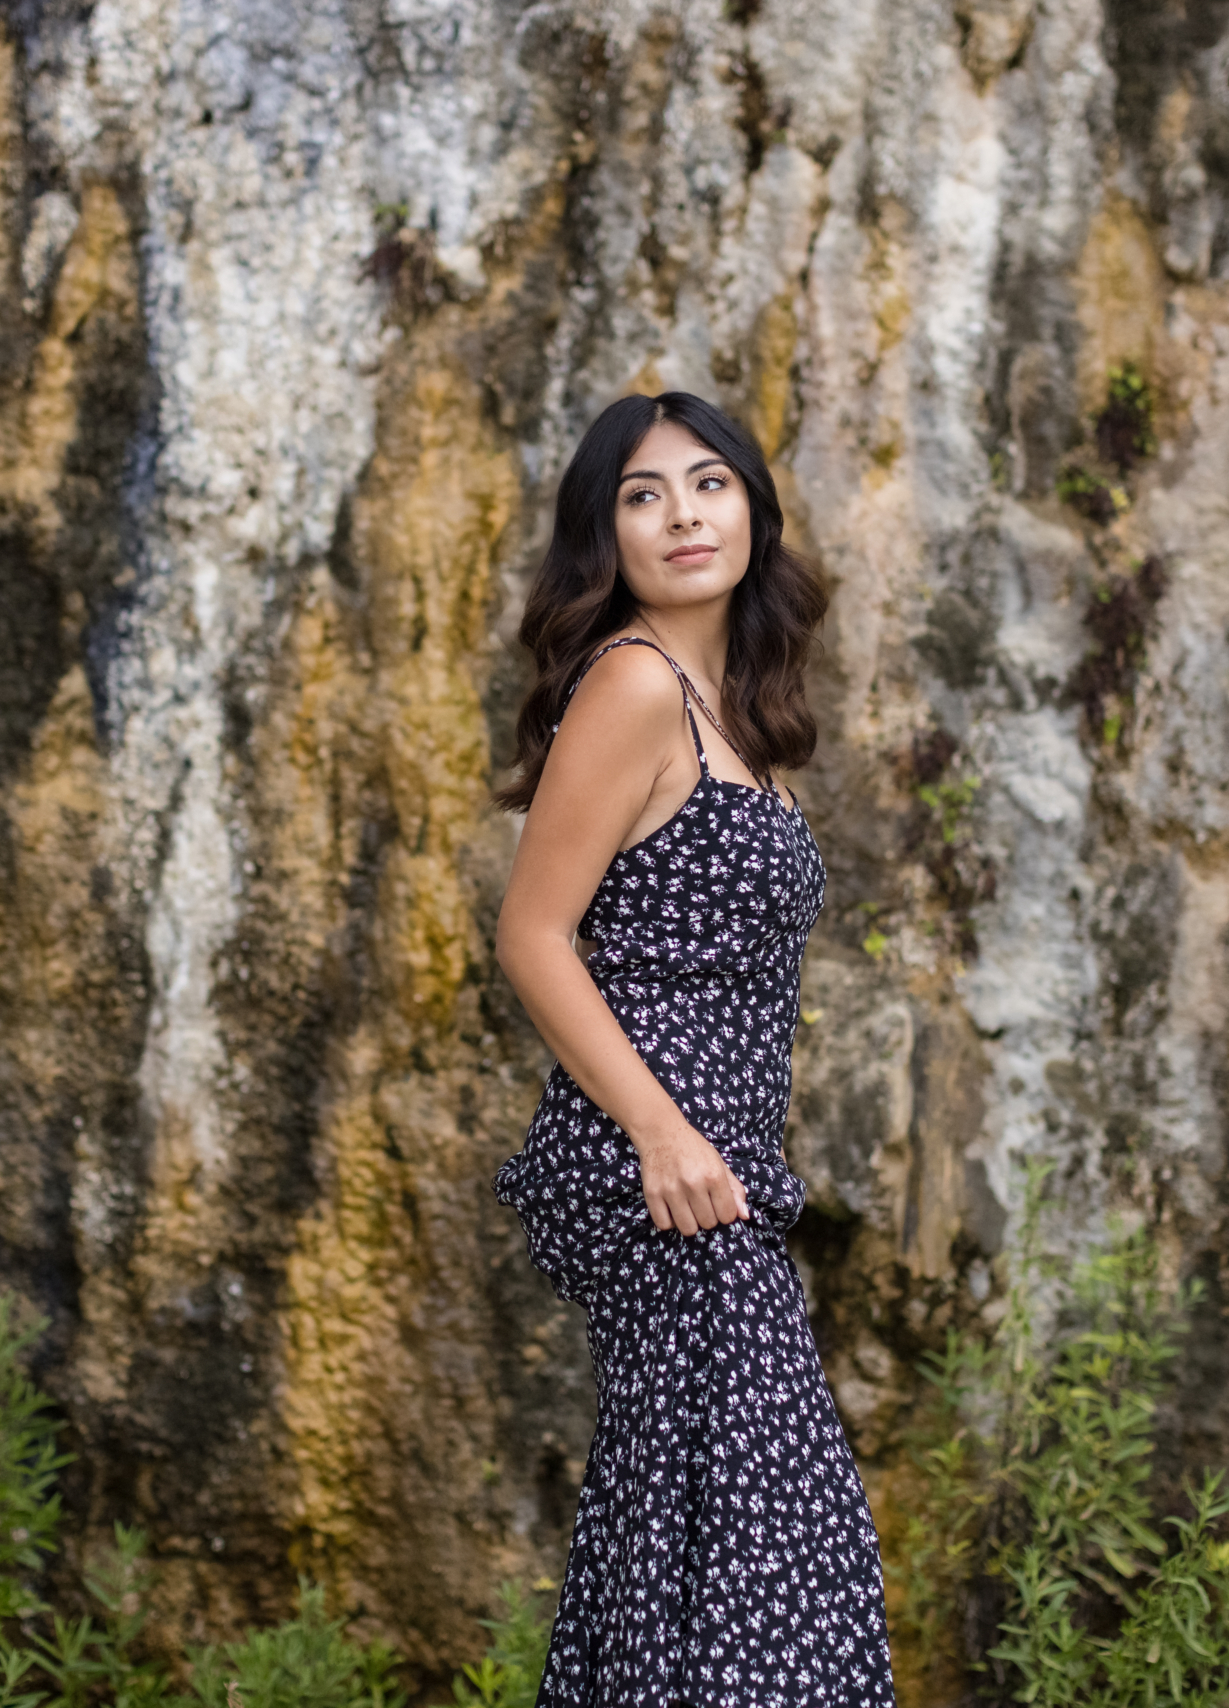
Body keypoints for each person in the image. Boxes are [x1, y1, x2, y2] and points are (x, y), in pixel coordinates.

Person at [492, 391, 897, 1708]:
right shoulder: (633, 683)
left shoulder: (733, 715)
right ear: (605, 535)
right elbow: (534, 935)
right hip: (657, 1175)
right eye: (643, 494)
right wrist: (663, 1132)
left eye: (709, 483)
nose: (682, 516)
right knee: (772, 1538)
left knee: (688, 1537)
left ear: (752, 511)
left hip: (707, 1178)